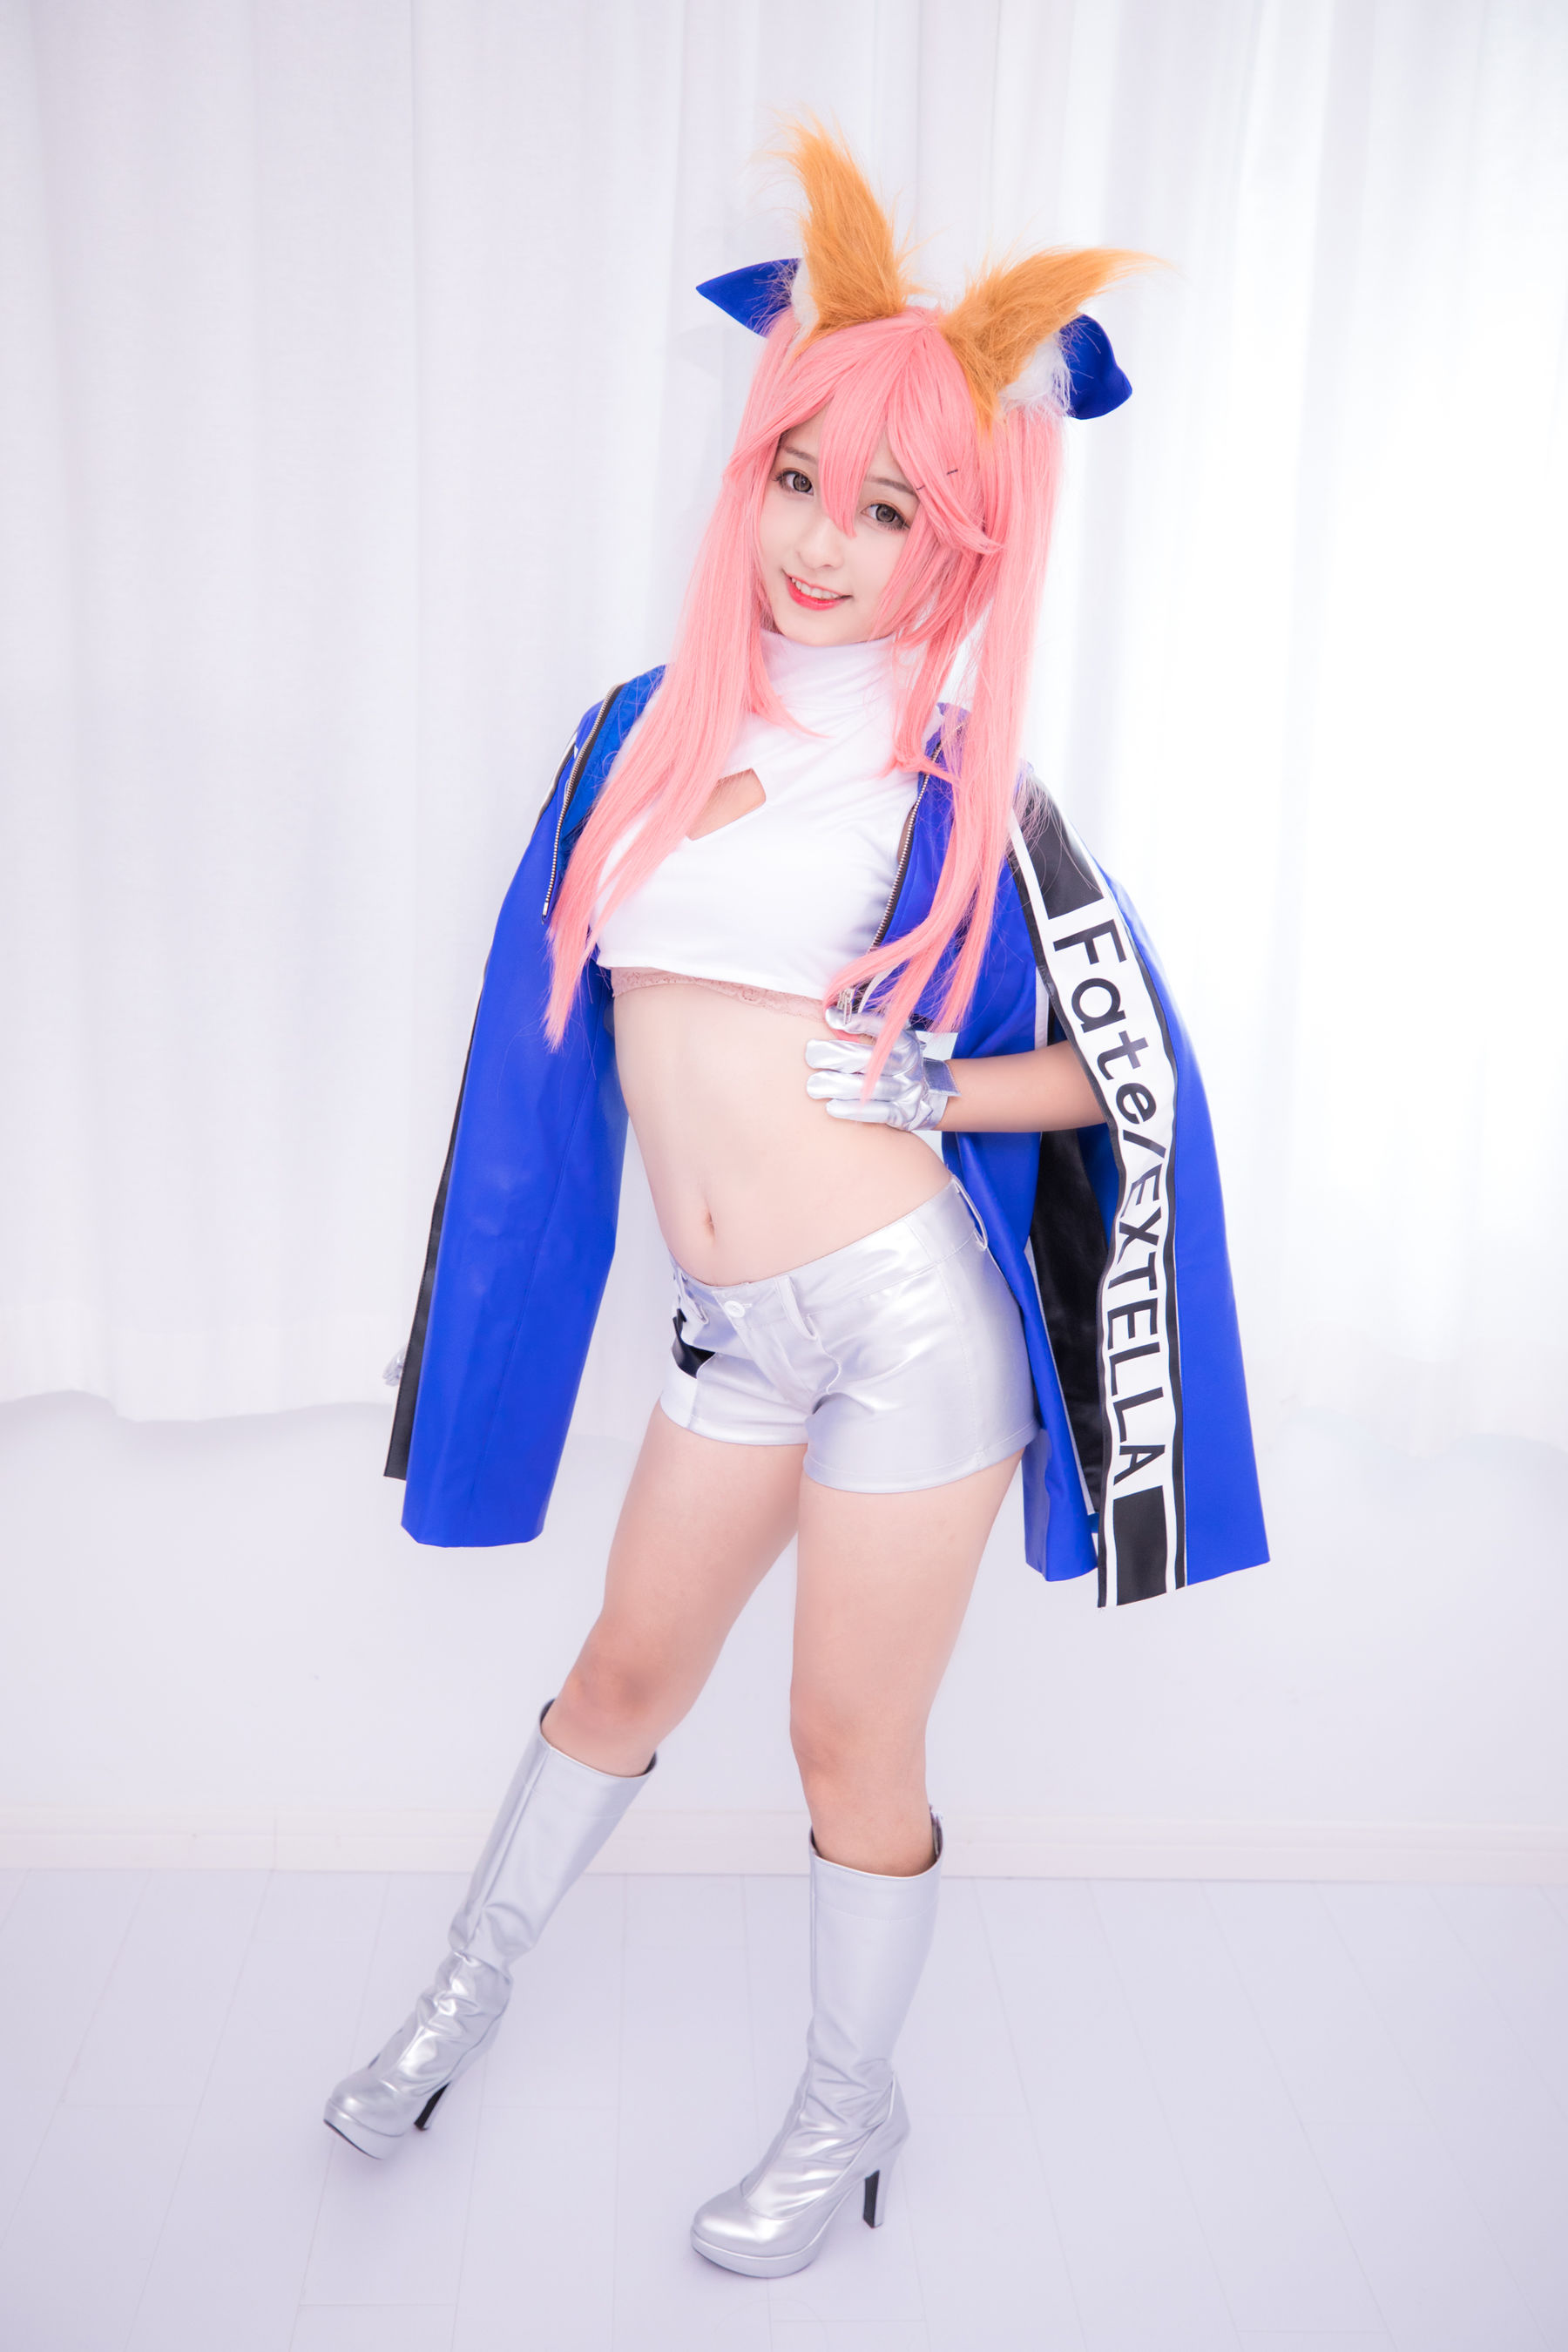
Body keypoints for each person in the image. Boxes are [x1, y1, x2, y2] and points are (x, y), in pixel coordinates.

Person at [324, 126, 1267, 2280]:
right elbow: (553, 1052)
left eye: (892, 508)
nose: (827, 540)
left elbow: (1124, 1073)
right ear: (747, 476)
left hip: (904, 1327)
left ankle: (848, 2116)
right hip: (728, 1332)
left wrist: (941, 1081)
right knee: (619, 1672)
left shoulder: (953, 782)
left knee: (846, 1737)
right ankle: (462, 1999)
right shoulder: (634, 738)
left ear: (965, 545)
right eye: (800, 480)